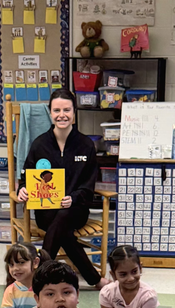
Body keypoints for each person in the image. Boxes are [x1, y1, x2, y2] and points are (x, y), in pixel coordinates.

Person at [16, 88, 109, 290]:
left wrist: (73, 198)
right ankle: (94, 279)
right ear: (50, 113)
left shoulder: (85, 145)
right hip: (45, 211)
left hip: (76, 210)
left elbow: (88, 186)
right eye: (57, 110)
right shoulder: (39, 144)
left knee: (64, 216)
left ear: (74, 113)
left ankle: (39, 271)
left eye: (66, 110)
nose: (62, 115)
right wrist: (23, 189)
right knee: (62, 230)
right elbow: (26, 176)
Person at [1, 241, 43, 308]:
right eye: (11, 264)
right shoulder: (10, 291)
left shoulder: (46, 288)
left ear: (35, 262)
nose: (15, 268)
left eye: (21, 262)